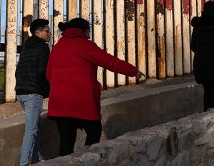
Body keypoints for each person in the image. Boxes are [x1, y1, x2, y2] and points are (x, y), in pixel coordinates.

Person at [45, 17, 145, 156]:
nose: (90, 34)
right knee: (94, 132)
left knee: (66, 143)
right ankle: (88, 159)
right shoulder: (85, 45)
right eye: (89, 31)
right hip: (82, 101)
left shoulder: (57, 47)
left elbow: (49, 75)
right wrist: (133, 71)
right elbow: (110, 62)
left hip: (59, 103)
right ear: (84, 31)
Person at [15, 18, 52, 165]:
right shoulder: (42, 47)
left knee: (35, 127)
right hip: (33, 93)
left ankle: (36, 158)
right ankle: (24, 163)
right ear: (38, 32)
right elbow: (44, 71)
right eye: (47, 31)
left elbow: (18, 71)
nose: (50, 34)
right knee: (31, 130)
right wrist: (46, 90)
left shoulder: (27, 46)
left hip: (21, 92)